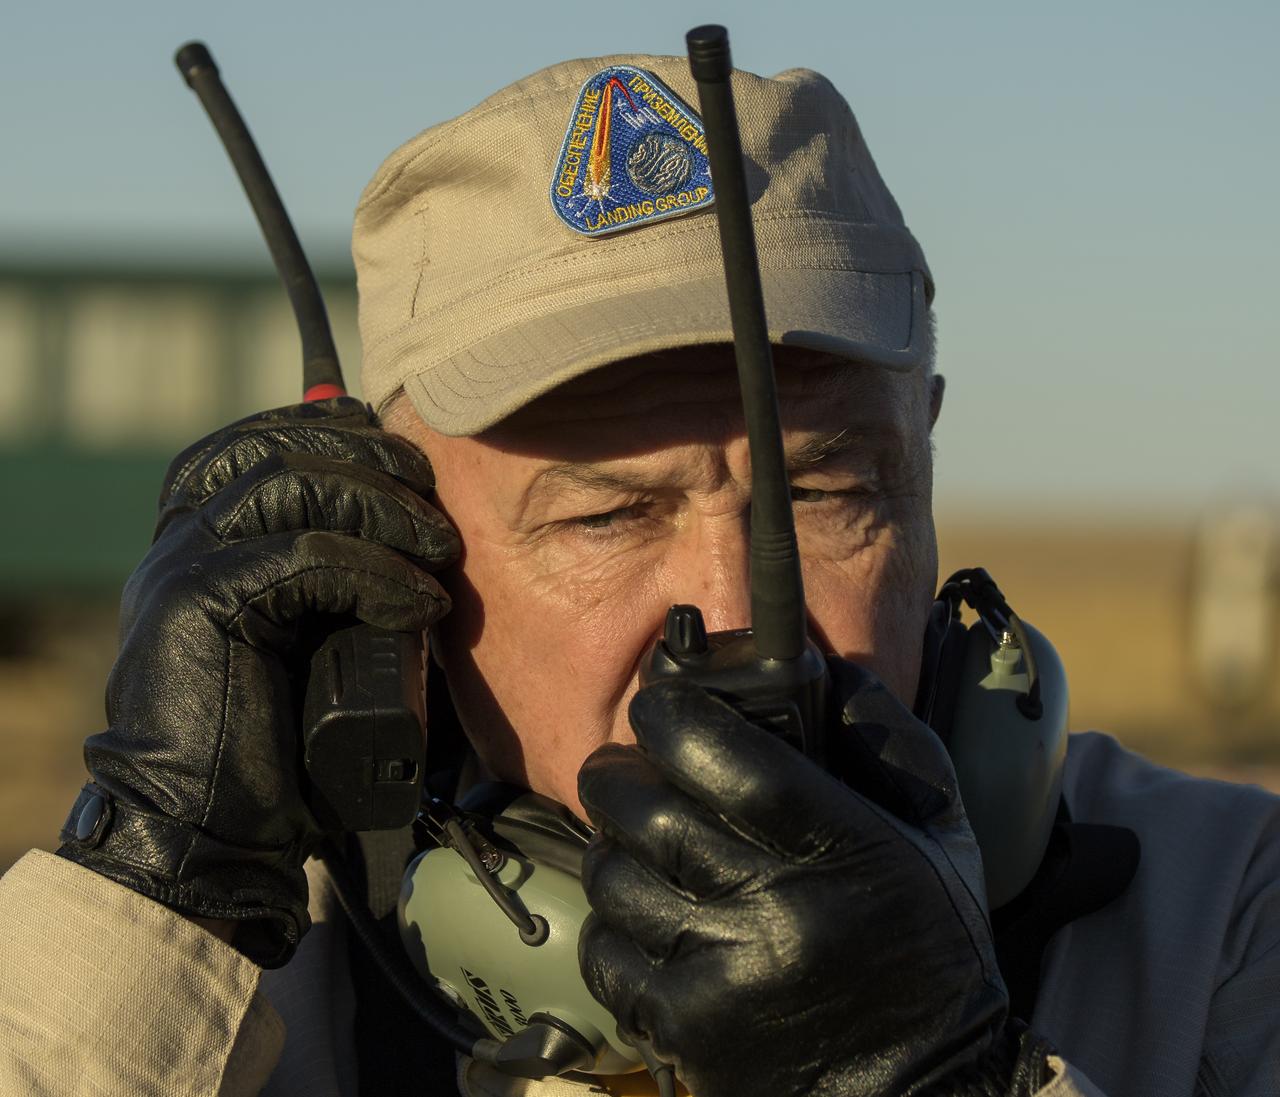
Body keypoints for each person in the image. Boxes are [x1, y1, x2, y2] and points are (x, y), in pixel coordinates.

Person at [2, 51, 1279, 1097]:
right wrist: (156, 888)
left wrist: (937, 1071)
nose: (729, 612)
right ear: (392, 554)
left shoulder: (1219, 909)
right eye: (606, 513)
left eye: (827, 492)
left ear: (925, 460)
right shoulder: (243, 979)